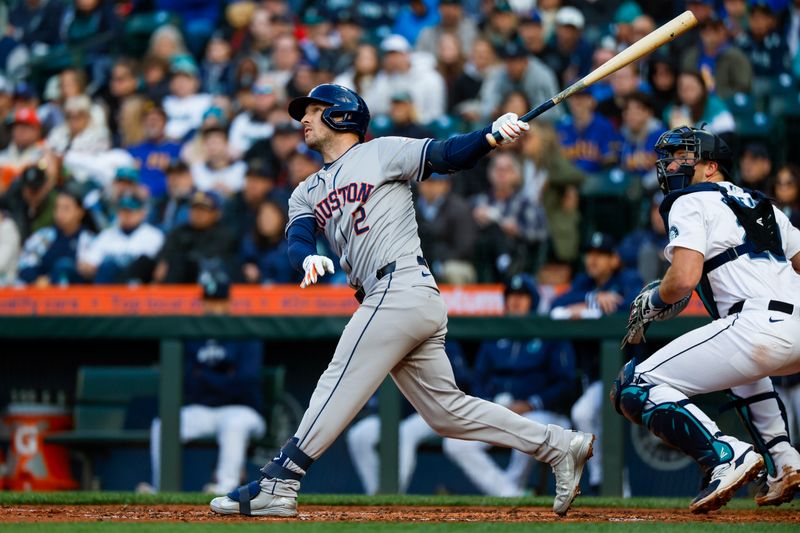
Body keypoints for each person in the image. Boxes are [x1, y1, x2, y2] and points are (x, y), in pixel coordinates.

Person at [209, 83, 594, 518]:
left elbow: (447, 155)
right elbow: (298, 236)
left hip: (401, 285)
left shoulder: (382, 152)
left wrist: (490, 135)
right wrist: (307, 259)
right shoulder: (306, 189)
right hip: (393, 296)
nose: (304, 120)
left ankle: (281, 480)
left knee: (338, 378)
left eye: (314, 111)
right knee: (447, 413)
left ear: (342, 116)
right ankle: (560, 445)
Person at [611, 126, 800, 513]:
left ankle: (724, 454)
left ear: (711, 166)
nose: (671, 163)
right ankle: (785, 461)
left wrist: (652, 301)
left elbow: (682, 279)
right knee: (746, 377)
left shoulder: (690, 199)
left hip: (756, 324)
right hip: (784, 325)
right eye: (671, 155)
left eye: (684, 155)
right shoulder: (764, 204)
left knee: (634, 385)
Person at [443, 275, 576, 497]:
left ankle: (511, 488)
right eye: (512, 296)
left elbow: (566, 384)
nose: (516, 301)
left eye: (522, 297)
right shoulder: (495, 333)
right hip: (499, 410)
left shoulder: (549, 332)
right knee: (455, 444)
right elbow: (478, 379)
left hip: (541, 413)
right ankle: (509, 493)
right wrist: (489, 403)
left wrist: (531, 403)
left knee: (529, 426)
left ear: (532, 300)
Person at [140, 267, 266, 494]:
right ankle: (160, 488)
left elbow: (245, 383)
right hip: (203, 410)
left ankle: (225, 488)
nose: (212, 307)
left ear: (228, 302)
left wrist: (206, 377)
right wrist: (223, 374)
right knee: (163, 425)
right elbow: (188, 381)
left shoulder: (245, 332)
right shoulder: (194, 334)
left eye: (217, 302)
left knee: (234, 424)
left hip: (242, 411)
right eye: (208, 301)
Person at [346, 340, 472, 495]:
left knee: (406, 433)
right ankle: (375, 496)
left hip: (430, 413)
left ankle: (393, 493)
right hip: (392, 415)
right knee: (359, 436)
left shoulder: (444, 343)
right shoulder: (387, 342)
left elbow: (462, 384)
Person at [77, 192, 164, 284]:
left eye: (130, 211)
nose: (126, 215)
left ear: (142, 213)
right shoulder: (107, 235)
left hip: (141, 290)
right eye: (123, 211)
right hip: (109, 287)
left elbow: (159, 270)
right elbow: (89, 264)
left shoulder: (154, 236)